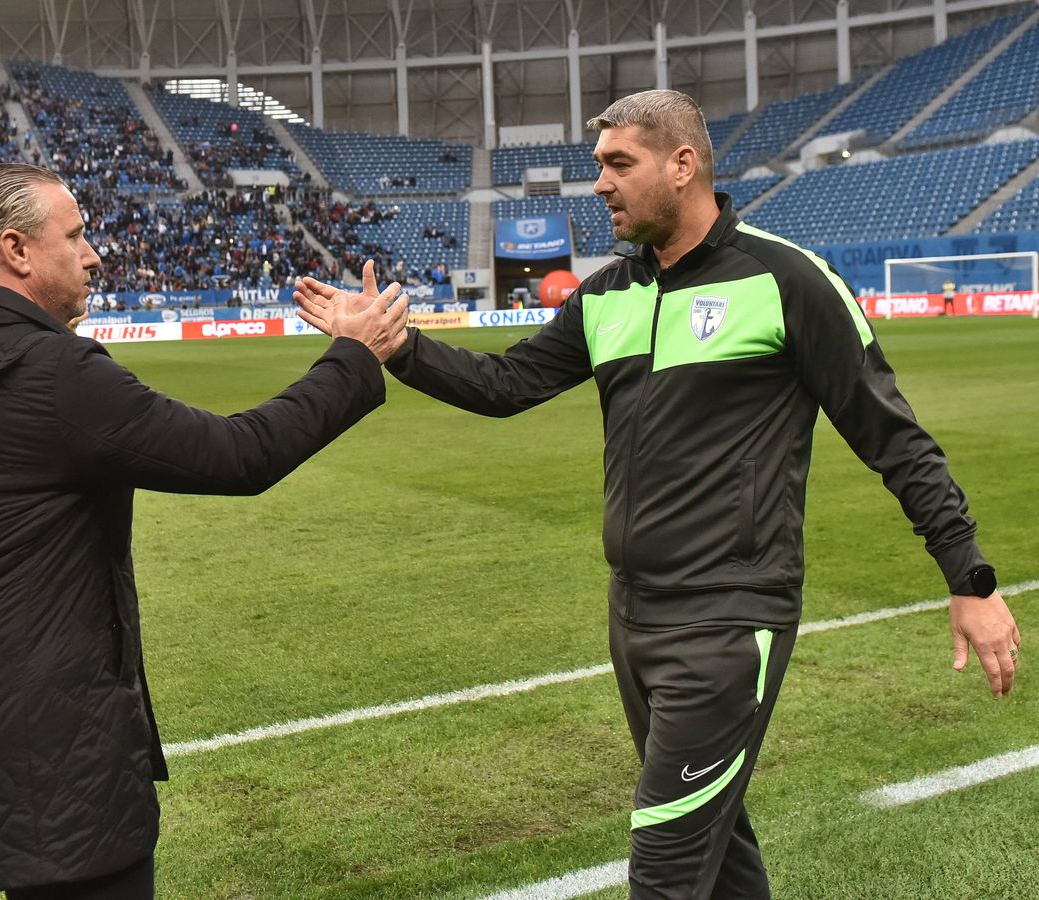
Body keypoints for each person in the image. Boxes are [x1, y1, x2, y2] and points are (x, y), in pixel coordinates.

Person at [295, 90, 1021, 899]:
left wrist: (971, 579)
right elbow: (505, 385)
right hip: (633, 614)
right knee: (721, 858)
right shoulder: (606, 295)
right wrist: (398, 347)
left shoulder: (785, 281)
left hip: (728, 618)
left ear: (682, 166)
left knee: (667, 874)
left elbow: (894, 438)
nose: (599, 184)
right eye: (597, 166)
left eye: (617, 164)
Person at [0, 163, 408, 898]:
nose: (94, 255)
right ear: (16, 251)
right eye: (77, 235)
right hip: (60, 740)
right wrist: (353, 356)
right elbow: (238, 455)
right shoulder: (52, 372)